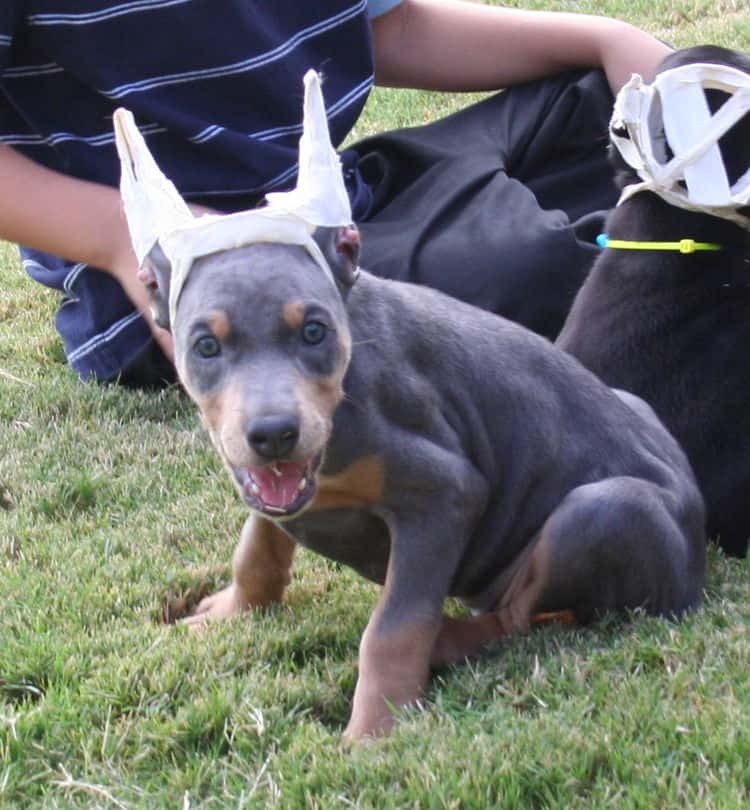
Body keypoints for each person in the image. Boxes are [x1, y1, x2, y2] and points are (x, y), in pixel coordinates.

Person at [0, 1, 670, 386]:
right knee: (531, 265)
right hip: (189, 263)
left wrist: (603, 40)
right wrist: (121, 237)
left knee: (610, 102)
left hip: (339, 198)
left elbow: (390, 28)